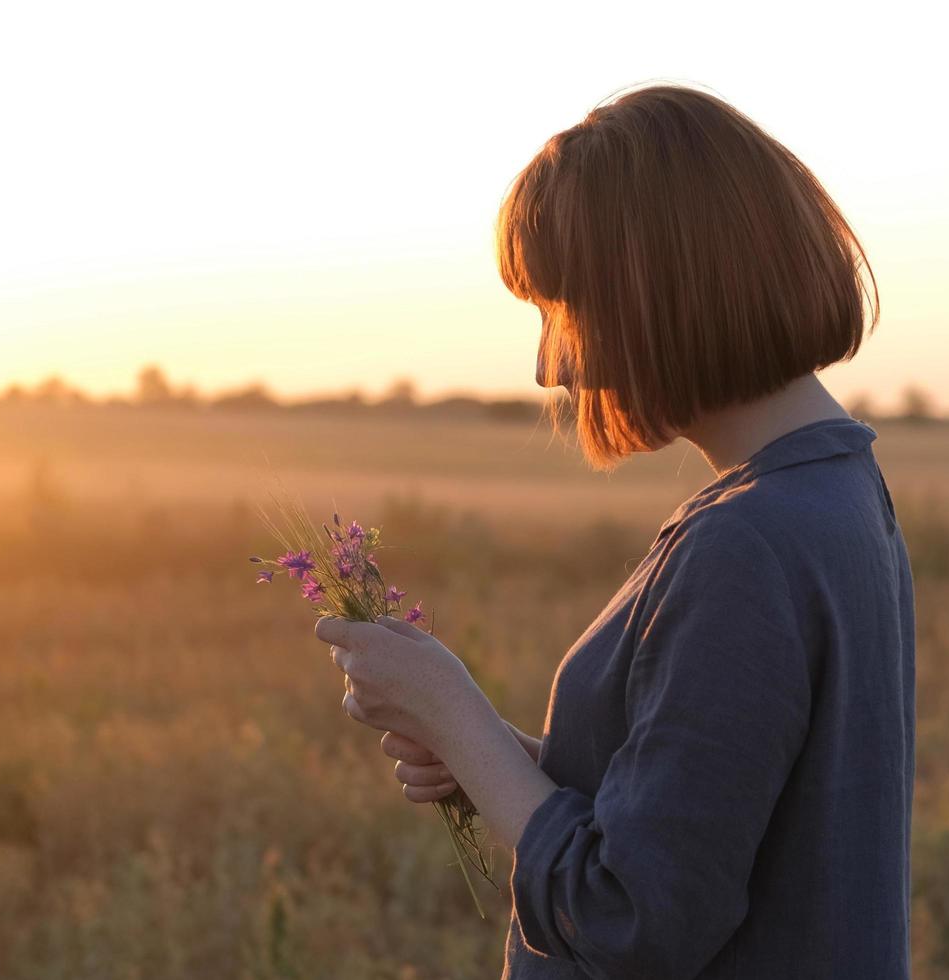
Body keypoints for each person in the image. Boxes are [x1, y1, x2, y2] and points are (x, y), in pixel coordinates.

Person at [317, 82, 916, 979]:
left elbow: (633, 916)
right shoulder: (835, 492)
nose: (547, 365)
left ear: (656, 292)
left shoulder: (745, 544)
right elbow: (718, 813)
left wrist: (453, 711)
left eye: (563, 310)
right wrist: (491, 756)